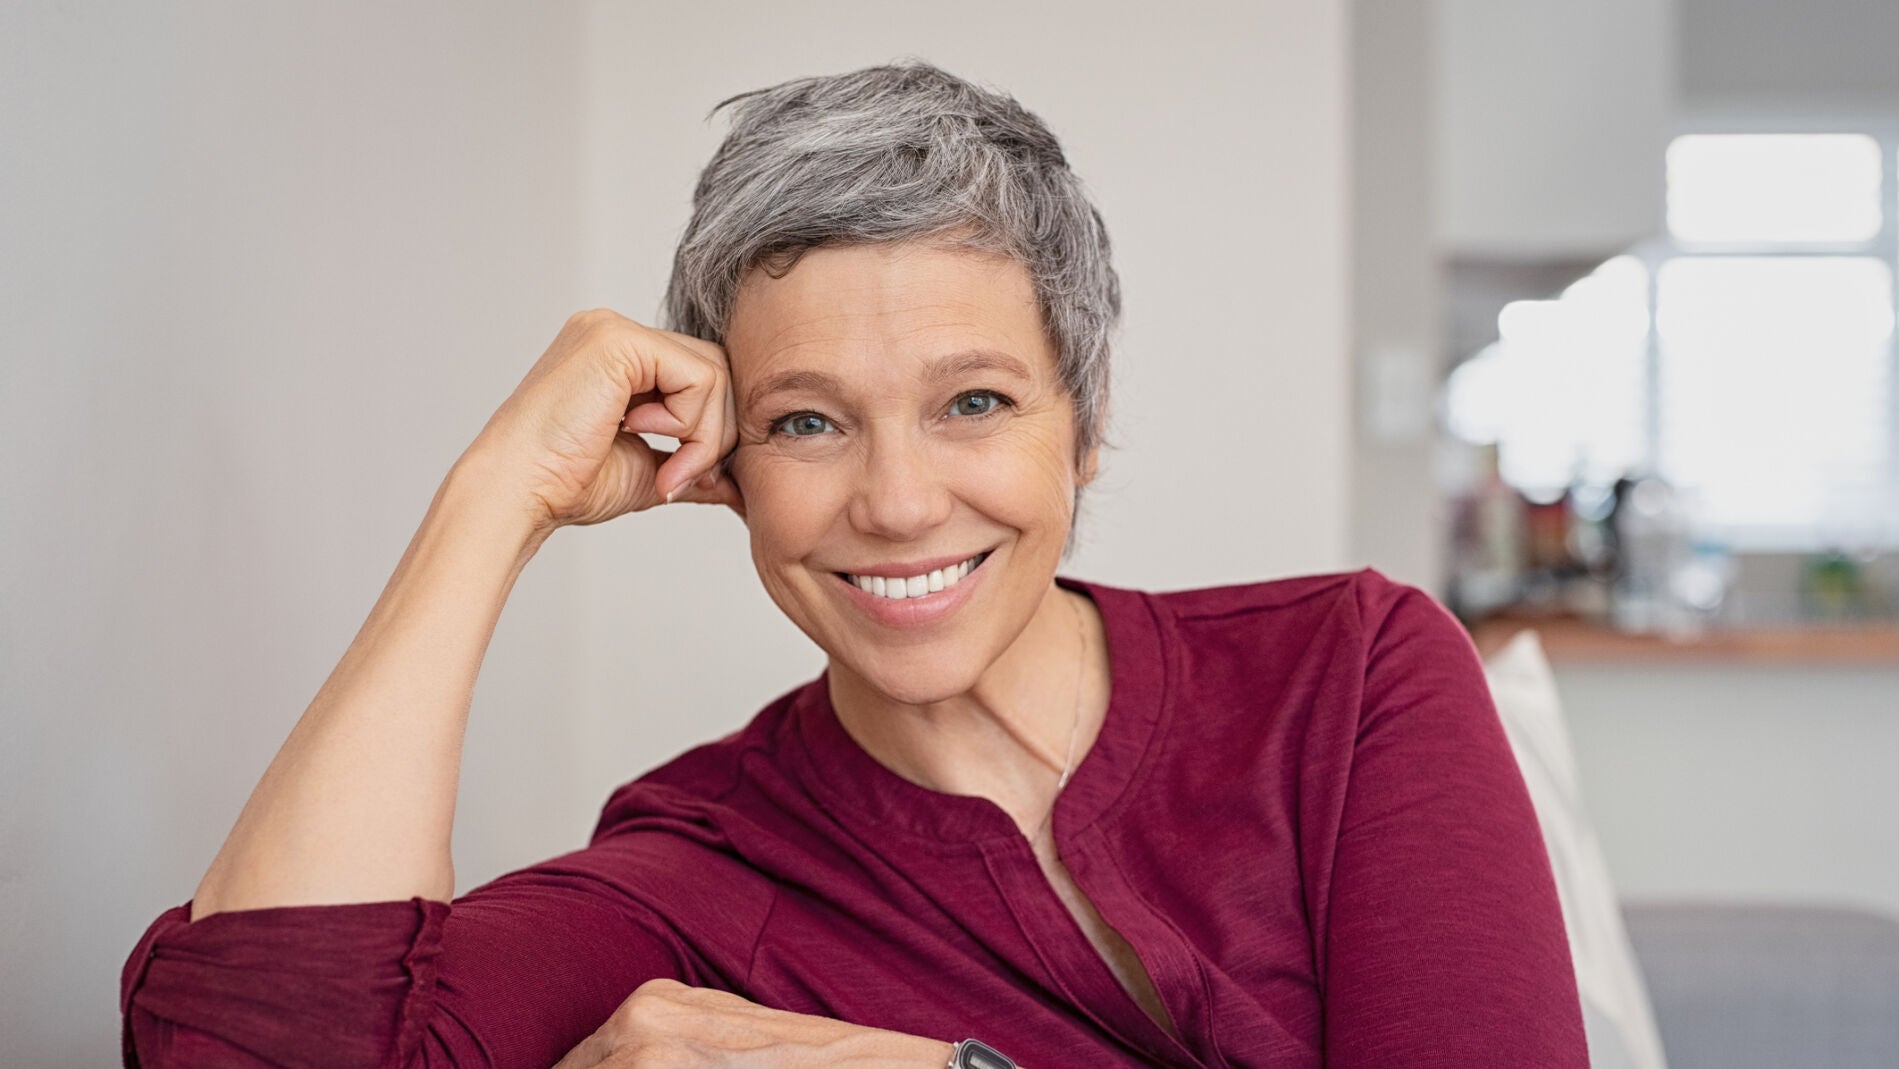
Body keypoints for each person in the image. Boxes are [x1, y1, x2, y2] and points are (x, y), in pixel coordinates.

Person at [119, 62, 1587, 1068]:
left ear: (1086, 426)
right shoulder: (701, 864)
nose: (894, 501)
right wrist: (497, 495)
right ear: (725, 468)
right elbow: (248, 1045)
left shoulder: (1351, 674)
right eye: (808, 421)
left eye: (975, 402)